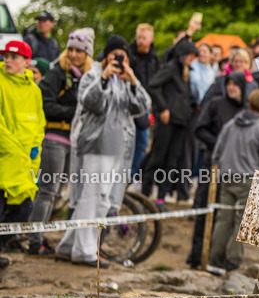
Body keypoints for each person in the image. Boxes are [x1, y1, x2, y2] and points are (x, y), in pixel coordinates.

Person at [55, 35, 151, 267]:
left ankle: (69, 245)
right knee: (93, 197)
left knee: (102, 198)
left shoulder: (125, 80)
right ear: (106, 55)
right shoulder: (94, 74)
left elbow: (143, 107)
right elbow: (89, 102)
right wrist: (105, 77)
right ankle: (86, 250)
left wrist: (133, 81)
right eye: (114, 55)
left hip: (119, 150)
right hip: (96, 146)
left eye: (123, 56)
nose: (118, 60)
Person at [27, 29, 95, 255]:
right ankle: (34, 241)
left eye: (79, 51)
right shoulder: (57, 74)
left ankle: (38, 235)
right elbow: (45, 105)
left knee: (56, 193)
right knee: (47, 190)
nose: (74, 54)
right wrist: (74, 112)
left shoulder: (86, 77)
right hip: (53, 138)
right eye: (71, 50)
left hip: (73, 142)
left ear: (87, 54)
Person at [209, 89, 259, 271]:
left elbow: (216, 154)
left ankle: (214, 261)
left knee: (223, 219)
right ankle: (233, 262)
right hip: (248, 181)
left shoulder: (230, 125)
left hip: (226, 177)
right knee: (242, 223)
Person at [186, 71, 248, 269]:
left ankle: (216, 257)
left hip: (233, 169)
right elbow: (200, 129)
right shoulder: (215, 103)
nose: (231, 87)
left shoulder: (245, 110)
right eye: (228, 83)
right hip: (210, 164)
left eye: (234, 84)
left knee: (226, 214)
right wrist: (221, 145)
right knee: (205, 208)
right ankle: (197, 256)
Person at [0, 40, 45, 275]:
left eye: (14, 57)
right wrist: (14, 149)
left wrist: (35, 148)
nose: (8, 60)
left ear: (27, 62)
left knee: (23, 211)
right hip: (4, 160)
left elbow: (39, 124)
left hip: (26, 164)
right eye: (5, 56)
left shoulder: (34, 89)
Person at [141, 39, 198, 209]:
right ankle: (144, 196)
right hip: (167, 121)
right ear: (182, 55)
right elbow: (152, 86)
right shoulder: (171, 68)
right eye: (190, 55)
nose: (192, 58)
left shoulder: (186, 71)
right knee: (157, 157)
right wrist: (163, 108)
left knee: (172, 161)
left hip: (181, 122)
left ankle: (161, 198)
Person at [128, 23, 161, 177]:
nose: (140, 41)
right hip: (128, 104)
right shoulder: (129, 55)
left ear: (151, 39)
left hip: (146, 106)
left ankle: (134, 176)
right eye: (139, 37)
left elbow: (155, 84)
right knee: (127, 142)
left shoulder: (154, 59)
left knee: (142, 143)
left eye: (144, 38)